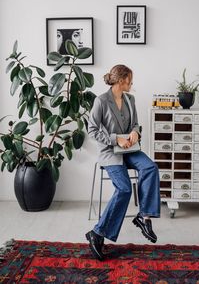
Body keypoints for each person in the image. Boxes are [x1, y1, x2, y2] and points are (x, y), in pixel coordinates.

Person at [86, 64, 160, 261]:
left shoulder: (130, 99)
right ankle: (97, 233)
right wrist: (114, 139)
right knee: (125, 189)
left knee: (151, 168)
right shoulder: (101, 101)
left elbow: (135, 123)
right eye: (129, 79)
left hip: (130, 149)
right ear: (121, 80)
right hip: (111, 152)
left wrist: (135, 131)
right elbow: (92, 130)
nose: (131, 83)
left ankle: (144, 217)